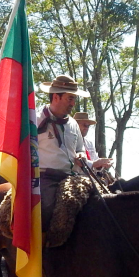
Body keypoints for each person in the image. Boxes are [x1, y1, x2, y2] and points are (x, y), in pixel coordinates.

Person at [36, 75, 94, 230]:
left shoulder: (73, 124)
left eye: (74, 99)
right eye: (70, 98)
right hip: (45, 177)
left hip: (72, 176)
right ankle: (44, 243)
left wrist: (81, 155)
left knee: (98, 199)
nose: (73, 103)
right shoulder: (35, 120)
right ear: (56, 97)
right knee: (46, 209)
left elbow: (80, 148)